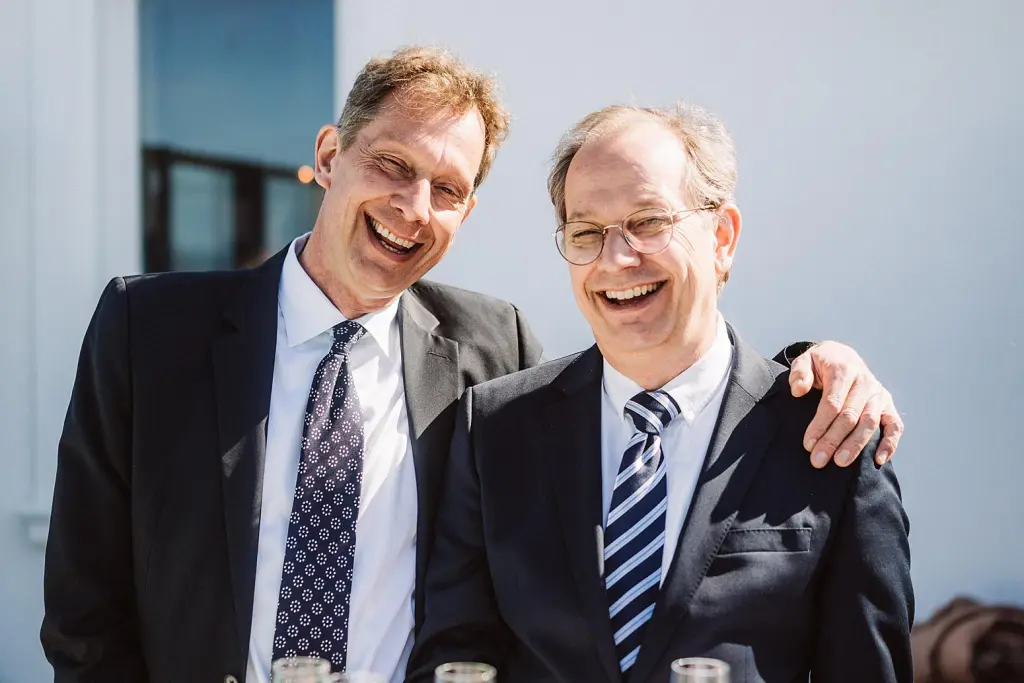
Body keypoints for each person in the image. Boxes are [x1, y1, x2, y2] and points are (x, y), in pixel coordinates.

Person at [42, 48, 903, 683]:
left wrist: (817, 364)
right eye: (391, 165)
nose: (412, 208)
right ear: (331, 153)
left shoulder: (491, 357)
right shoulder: (147, 330)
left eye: (447, 189)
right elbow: (84, 610)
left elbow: (670, 376)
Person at [407, 103, 913, 682]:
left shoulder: (830, 434)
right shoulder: (496, 432)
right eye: (587, 233)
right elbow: (454, 659)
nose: (617, 259)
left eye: (648, 222)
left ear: (722, 236)